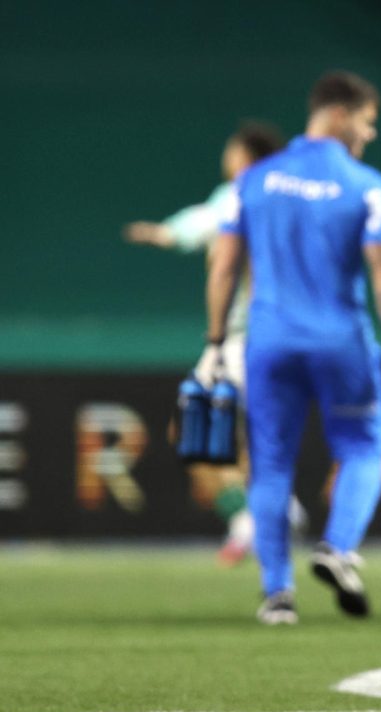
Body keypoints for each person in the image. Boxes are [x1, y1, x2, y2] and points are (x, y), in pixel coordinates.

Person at [203, 70, 381, 624]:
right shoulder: (366, 186)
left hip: (269, 342)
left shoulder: (253, 181)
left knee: (270, 464)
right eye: (367, 122)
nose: (370, 134)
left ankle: (277, 593)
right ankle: (337, 547)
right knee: (364, 447)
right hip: (340, 341)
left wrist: (214, 343)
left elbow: (223, 265)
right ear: (340, 114)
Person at [123, 122, 306, 565]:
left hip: (241, 339)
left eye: (232, 150)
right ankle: (270, 510)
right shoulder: (291, 196)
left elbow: (202, 224)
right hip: (286, 336)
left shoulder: (240, 193)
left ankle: (256, 515)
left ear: (246, 157)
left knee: (192, 428)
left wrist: (165, 233)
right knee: (249, 438)